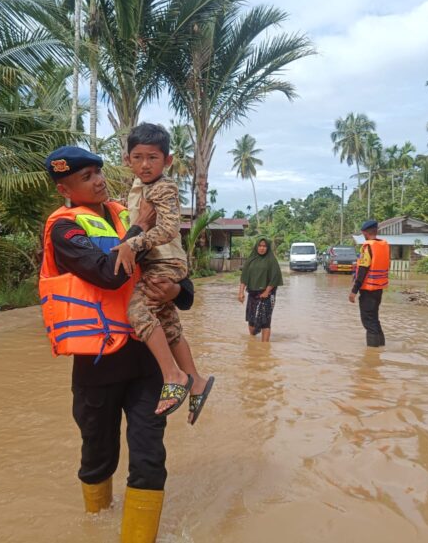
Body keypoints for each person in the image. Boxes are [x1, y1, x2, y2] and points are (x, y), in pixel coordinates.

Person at [39, 145, 193, 542]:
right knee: (98, 456)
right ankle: (96, 522)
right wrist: (139, 228)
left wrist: (176, 286)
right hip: (98, 366)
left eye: (98, 172)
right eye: (86, 177)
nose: (98, 181)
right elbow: (109, 273)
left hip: (146, 362)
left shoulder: (128, 211)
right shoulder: (65, 228)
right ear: (64, 189)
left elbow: (182, 283)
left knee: (149, 457)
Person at [113, 123, 214, 420]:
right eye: (138, 157)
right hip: (155, 262)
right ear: (127, 159)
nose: (145, 164)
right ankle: (196, 381)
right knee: (168, 325)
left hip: (165, 262)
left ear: (167, 161)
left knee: (138, 313)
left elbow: (170, 228)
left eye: (153, 157)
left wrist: (133, 243)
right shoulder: (136, 190)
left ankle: (173, 376)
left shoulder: (164, 187)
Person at [348, 220, 390, 347]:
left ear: (365, 232)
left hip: (368, 290)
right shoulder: (384, 245)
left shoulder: (368, 247)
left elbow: (363, 270)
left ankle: (372, 354)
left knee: (368, 322)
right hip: (379, 288)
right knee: (374, 320)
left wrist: (353, 291)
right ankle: (380, 348)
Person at [238, 238, 284, 342]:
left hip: (267, 295)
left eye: (264, 246)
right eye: (260, 246)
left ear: (267, 248)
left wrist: (267, 292)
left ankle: (264, 347)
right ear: (256, 247)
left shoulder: (271, 260)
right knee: (251, 321)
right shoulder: (251, 259)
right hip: (252, 294)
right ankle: (253, 342)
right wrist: (241, 292)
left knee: (265, 322)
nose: (262, 248)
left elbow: (275, 277)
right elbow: (244, 276)